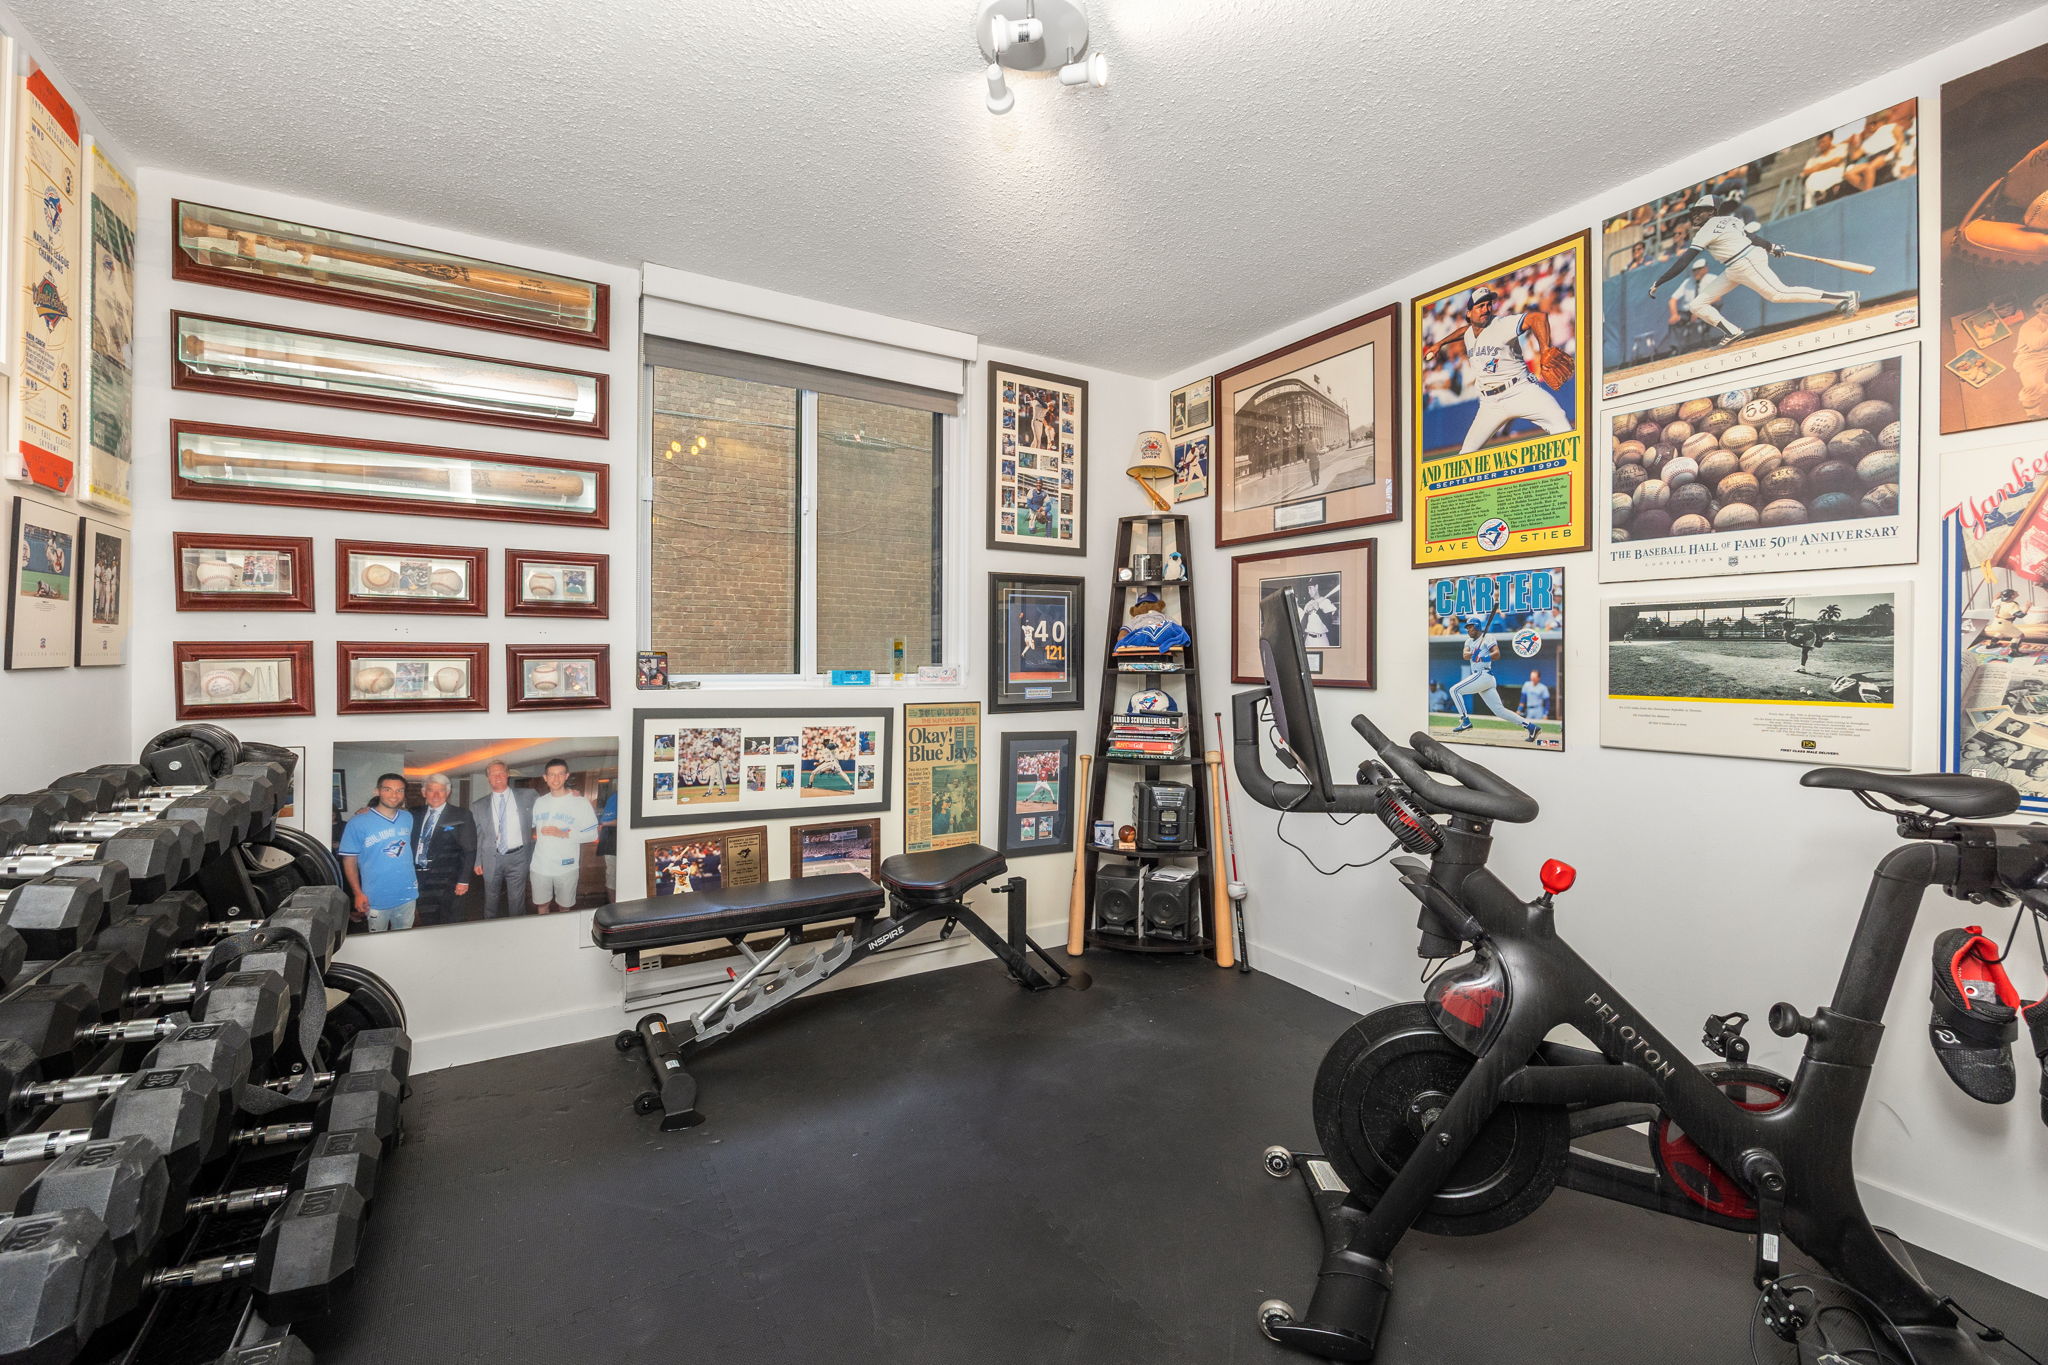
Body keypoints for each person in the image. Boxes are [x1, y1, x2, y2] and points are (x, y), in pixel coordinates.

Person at [1647, 195, 1859, 352]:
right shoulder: (1731, 220)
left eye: (1699, 211)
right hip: (1736, 266)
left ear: (1711, 212)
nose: (1694, 215)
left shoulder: (1706, 230)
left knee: (1778, 294)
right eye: (1694, 212)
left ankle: (1844, 297)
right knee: (1697, 305)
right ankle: (1732, 331)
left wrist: (1659, 281)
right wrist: (1771, 246)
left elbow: (1685, 260)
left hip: (1746, 261)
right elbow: (1752, 238)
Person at [1421, 286, 1573, 455]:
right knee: (1466, 453)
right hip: (1490, 404)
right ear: (1469, 314)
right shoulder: (1469, 333)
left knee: (1560, 421)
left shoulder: (1501, 324)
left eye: (1488, 304)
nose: (1486, 309)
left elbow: (1538, 317)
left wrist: (1544, 349)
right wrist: (1439, 343)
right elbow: (1464, 331)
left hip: (1520, 391)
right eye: (1480, 306)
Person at [339, 774, 418, 933]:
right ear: (377, 791)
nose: (394, 795)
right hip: (375, 896)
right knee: (377, 941)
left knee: (404, 938)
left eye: (400, 790)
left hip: (407, 893)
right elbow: (349, 860)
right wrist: (357, 893)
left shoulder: (407, 817)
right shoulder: (357, 822)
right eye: (388, 789)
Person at [1448, 618, 1542, 743]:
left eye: (1470, 627)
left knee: (1454, 690)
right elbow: (1465, 655)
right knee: (1499, 711)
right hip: (1482, 678)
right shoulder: (1469, 641)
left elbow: (1497, 654)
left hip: (1483, 674)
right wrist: (1473, 653)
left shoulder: (1488, 637)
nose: (1468, 630)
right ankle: (1531, 727)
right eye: (1467, 628)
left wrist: (1483, 657)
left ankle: (1465, 721)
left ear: (1477, 626)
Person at [530, 758, 598, 914]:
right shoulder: (539, 802)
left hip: (566, 867)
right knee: (542, 906)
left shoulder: (580, 802)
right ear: (545, 777)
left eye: (560, 774)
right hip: (540, 866)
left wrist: (563, 834)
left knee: (564, 907)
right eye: (551, 775)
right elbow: (532, 825)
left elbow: (592, 834)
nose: (556, 779)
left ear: (567, 776)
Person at [409, 773, 477, 928]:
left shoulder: (461, 814)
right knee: (427, 918)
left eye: (441, 790)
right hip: (420, 877)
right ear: (424, 792)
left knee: (450, 920)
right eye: (431, 790)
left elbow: (469, 850)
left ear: (448, 792)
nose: (436, 795)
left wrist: (463, 880)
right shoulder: (413, 813)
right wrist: (369, 811)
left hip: (448, 879)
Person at [473, 760, 537, 919]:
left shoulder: (528, 796)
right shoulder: (478, 805)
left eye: (501, 772)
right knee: (491, 898)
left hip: (519, 856)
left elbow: (548, 805)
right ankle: (489, 927)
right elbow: (478, 835)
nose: (498, 777)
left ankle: (516, 928)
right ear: (488, 778)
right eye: (493, 774)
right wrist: (477, 860)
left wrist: (569, 794)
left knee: (517, 900)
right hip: (491, 856)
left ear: (507, 774)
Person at [2015, 293, 2048, 422]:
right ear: (2038, 309)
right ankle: (2033, 416)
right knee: (2033, 385)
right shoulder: (2030, 324)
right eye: (2047, 303)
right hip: (2031, 358)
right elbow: (2036, 344)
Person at [598, 789, 618, 895]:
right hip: (611, 840)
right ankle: (614, 903)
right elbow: (606, 821)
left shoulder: (614, 797)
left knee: (612, 875)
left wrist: (604, 823)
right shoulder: (614, 797)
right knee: (612, 875)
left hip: (612, 840)